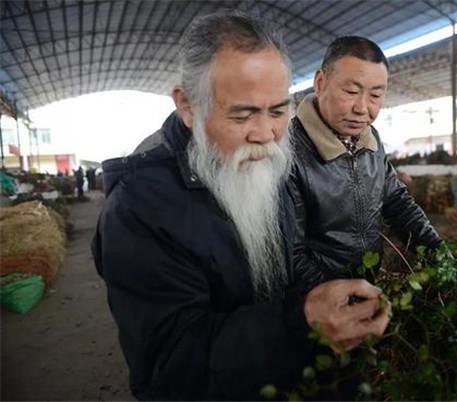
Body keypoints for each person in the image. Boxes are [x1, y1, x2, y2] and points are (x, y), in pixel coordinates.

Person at [91, 14, 390, 401]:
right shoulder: (139, 208)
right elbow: (168, 366)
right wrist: (300, 324)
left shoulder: (262, 163)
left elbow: (279, 277)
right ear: (187, 105)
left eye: (279, 111)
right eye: (242, 114)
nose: (265, 134)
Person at [288, 36, 441, 290]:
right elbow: (290, 255)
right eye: (351, 92)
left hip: (366, 286)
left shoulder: (371, 142)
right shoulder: (290, 153)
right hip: (313, 303)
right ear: (320, 82)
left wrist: (439, 253)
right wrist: (341, 299)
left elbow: (397, 203)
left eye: (375, 95)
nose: (362, 108)